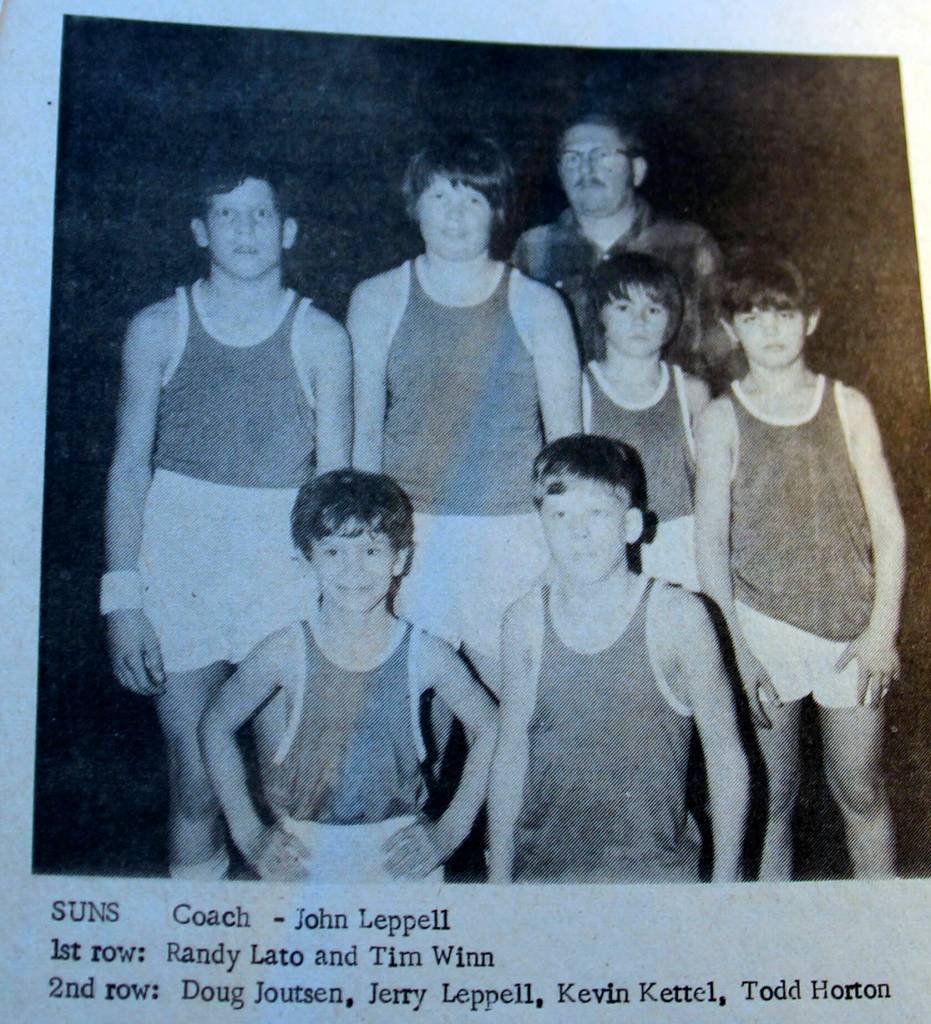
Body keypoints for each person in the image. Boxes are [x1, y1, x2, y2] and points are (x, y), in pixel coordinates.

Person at [102, 164, 352, 879]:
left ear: (289, 230)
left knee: (289, 779)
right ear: (199, 230)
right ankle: (193, 926)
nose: (245, 230)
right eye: (227, 214)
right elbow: (129, 468)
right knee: (196, 781)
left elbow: (335, 485)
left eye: (260, 214)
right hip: (181, 566)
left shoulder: (321, 336)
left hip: (281, 571)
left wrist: (336, 602)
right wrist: (123, 601)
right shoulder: (157, 328)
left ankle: (296, 939)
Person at [695, 252, 905, 880]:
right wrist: (738, 650)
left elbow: (889, 528)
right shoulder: (720, 418)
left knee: (860, 789)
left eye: (783, 315)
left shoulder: (847, 404)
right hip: (763, 627)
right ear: (731, 329)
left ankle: (887, 924)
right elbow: (710, 547)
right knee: (774, 800)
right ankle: (773, 928)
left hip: (850, 627)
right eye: (753, 317)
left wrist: (881, 630)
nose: (770, 330)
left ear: (810, 320)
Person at [350, 132, 580, 690]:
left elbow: (568, 448)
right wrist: (367, 547)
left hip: (511, 534)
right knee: (411, 716)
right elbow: (364, 440)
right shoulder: (377, 298)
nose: (455, 216)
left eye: (473, 199)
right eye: (440, 197)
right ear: (416, 205)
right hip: (412, 535)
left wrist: (562, 551)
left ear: (497, 210)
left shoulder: (538, 305)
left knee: (514, 712)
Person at [200, 469, 498, 881]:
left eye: (371, 551)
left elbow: (491, 726)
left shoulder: (426, 653)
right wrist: (250, 834)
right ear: (306, 559)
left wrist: (449, 832)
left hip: (400, 857)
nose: (353, 570)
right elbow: (215, 724)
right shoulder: (285, 650)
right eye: (334, 552)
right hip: (301, 857)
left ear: (400, 560)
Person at [488, 435, 749, 883]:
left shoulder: (679, 618)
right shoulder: (524, 622)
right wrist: (498, 877)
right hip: (544, 878)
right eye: (560, 515)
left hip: (655, 879)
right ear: (540, 526)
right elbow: (510, 754)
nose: (579, 532)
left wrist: (724, 885)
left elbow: (726, 757)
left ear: (631, 525)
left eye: (596, 513)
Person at [513, 110, 726, 382]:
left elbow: (721, 352)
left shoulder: (689, 246)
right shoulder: (534, 249)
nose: (586, 169)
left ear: (636, 171)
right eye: (572, 158)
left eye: (602, 156)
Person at [583, 251, 709, 588]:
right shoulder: (580, 389)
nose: (639, 321)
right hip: (606, 549)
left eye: (653, 310)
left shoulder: (691, 392)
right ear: (600, 314)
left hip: (683, 551)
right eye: (623, 307)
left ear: (672, 320)